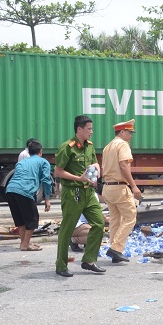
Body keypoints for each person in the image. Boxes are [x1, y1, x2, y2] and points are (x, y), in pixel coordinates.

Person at [54, 115, 105, 277]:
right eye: (89, 129)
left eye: (92, 128)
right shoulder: (67, 148)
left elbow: (94, 162)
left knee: (99, 223)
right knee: (67, 229)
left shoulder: (90, 146)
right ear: (79, 129)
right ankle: (61, 266)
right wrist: (79, 178)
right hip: (73, 192)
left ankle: (88, 260)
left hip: (89, 192)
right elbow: (58, 171)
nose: (91, 131)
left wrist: (97, 170)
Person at [101, 119, 142, 264]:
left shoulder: (108, 147)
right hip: (119, 187)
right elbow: (124, 166)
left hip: (108, 187)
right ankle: (116, 249)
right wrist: (134, 186)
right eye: (130, 132)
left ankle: (115, 251)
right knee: (130, 217)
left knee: (115, 220)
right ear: (122, 132)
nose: (131, 136)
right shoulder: (123, 145)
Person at [5, 140, 52, 251]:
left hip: (10, 190)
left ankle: (24, 243)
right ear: (41, 151)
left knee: (20, 219)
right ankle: (25, 245)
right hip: (24, 191)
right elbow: (46, 180)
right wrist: (47, 199)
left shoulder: (21, 162)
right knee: (32, 220)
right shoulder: (43, 162)